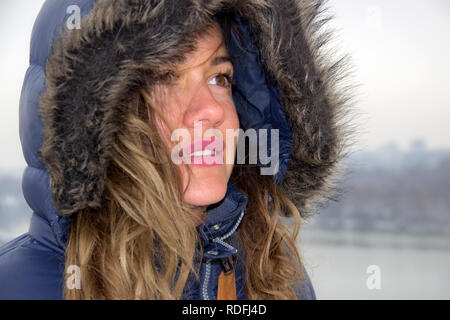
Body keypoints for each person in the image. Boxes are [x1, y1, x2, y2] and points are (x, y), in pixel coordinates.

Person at [0, 0, 351, 299]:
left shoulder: (277, 277)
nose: (212, 110)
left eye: (220, 78)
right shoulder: (17, 285)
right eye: (166, 77)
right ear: (101, 118)